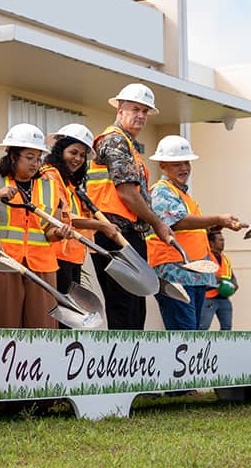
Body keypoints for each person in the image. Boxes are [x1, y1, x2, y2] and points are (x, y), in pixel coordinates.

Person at [86, 83, 172, 330]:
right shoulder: (114, 141)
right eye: (135, 109)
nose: (141, 116)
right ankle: (121, 365)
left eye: (145, 111)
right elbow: (127, 193)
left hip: (127, 233)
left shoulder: (128, 144)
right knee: (124, 308)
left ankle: (131, 364)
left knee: (134, 307)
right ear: (120, 110)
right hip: (115, 233)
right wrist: (158, 223)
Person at [0, 123, 74, 329]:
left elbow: (48, 231)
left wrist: (60, 233)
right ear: (12, 156)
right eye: (29, 157)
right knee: (2, 327)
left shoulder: (50, 187)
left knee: (42, 328)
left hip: (42, 266)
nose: (35, 163)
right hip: (2, 262)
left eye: (38, 158)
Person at [146, 135, 242, 330]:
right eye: (177, 164)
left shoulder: (181, 193)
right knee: (184, 335)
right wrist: (217, 219)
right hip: (175, 272)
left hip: (193, 274)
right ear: (163, 166)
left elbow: (190, 228)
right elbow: (178, 221)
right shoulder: (161, 191)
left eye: (187, 162)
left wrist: (214, 226)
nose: (184, 168)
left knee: (193, 335)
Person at [40, 124, 120, 328]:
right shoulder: (50, 176)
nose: (77, 159)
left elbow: (76, 216)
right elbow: (63, 217)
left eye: (82, 155)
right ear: (60, 151)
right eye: (73, 152)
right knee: (62, 320)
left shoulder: (70, 184)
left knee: (71, 321)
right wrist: (102, 226)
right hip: (56, 257)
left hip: (71, 257)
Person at [200, 228, 238, 330]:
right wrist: (214, 279)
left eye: (223, 240)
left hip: (224, 298)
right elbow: (200, 276)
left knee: (227, 328)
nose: (223, 242)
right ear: (211, 242)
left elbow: (231, 275)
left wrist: (234, 284)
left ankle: (224, 346)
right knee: (203, 327)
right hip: (209, 298)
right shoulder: (206, 257)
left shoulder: (225, 258)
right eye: (220, 240)